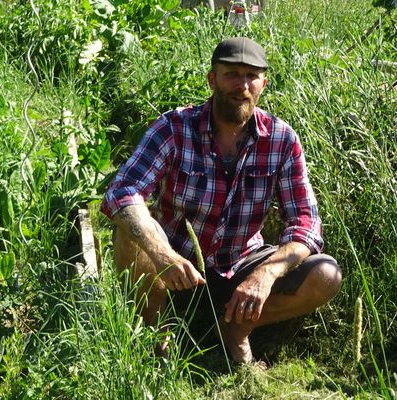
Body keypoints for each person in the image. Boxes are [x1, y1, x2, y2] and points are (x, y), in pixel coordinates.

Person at [101, 37, 342, 366]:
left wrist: (265, 275)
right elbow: (122, 192)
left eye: (251, 76)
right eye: (231, 74)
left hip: (239, 263)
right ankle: (157, 332)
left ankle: (237, 328)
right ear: (212, 79)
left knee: (326, 275)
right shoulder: (175, 127)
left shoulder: (281, 139)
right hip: (175, 266)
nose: (241, 85)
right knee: (130, 228)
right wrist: (162, 254)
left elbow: (306, 223)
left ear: (263, 84)